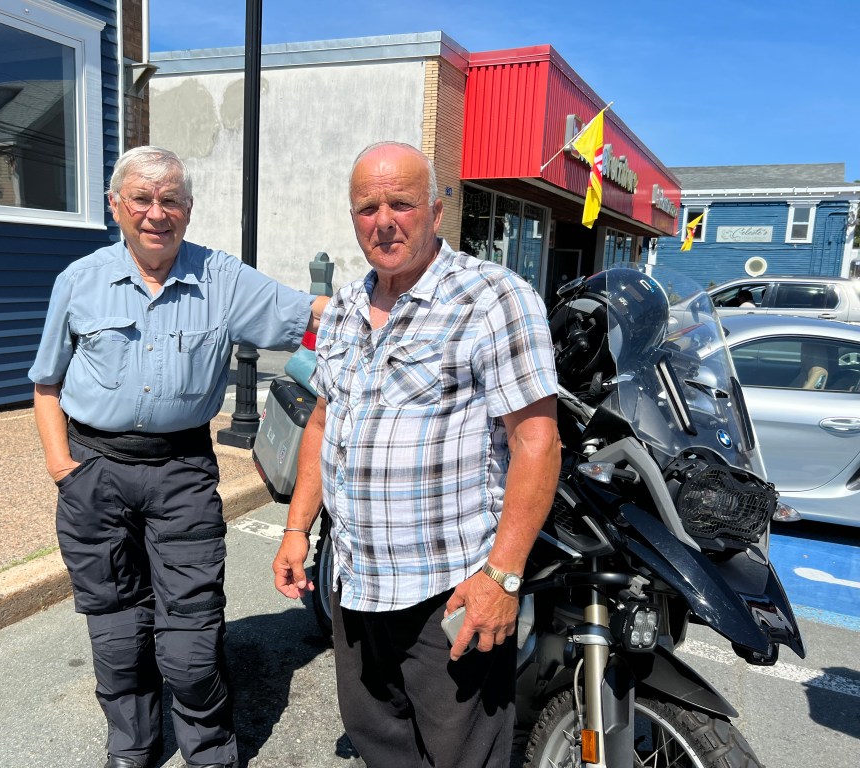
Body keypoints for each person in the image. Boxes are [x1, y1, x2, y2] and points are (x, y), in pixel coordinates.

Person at [29, 145, 327, 768]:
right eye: (142, 198)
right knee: (117, 635)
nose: (156, 213)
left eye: (170, 200)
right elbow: (47, 384)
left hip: (182, 473)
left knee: (190, 644)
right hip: (95, 471)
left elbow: (311, 314)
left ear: (188, 209)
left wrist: (399, 299)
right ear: (116, 206)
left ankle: (210, 750)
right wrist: (64, 470)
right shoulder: (78, 281)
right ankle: (131, 747)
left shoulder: (221, 278)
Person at [272, 142, 561, 767]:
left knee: (461, 758)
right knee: (381, 744)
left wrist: (502, 577)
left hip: (450, 592)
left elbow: (537, 441)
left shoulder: (492, 298)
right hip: (355, 583)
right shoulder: (345, 307)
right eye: (367, 207)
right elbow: (322, 420)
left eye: (400, 203)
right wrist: (297, 529)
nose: (383, 221)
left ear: (435, 210)